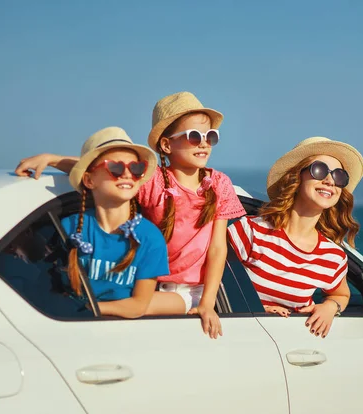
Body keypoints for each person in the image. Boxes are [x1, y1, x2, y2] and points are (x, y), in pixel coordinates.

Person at [15, 92, 246, 338]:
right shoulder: (151, 180)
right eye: (193, 136)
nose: (204, 143)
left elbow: (218, 248)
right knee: (125, 300)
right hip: (145, 282)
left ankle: (76, 310)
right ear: (166, 145)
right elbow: (104, 169)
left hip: (189, 293)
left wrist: (207, 304)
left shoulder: (219, 184)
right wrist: (53, 159)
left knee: (131, 307)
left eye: (210, 136)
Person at [227, 137, 363, 338]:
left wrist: (330, 307)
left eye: (339, 176)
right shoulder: (252, 231)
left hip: (292, 350)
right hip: (239, 340)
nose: (330, 181)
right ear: (297, 177)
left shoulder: (333, 256)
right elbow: (207, 279)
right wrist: (253, 310)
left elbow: (341, 294)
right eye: (319, 170)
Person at [61, 126, 177, 319]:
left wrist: (89, 309)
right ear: (89, 180)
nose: (127, 175)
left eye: (136, 168)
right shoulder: (69, 228)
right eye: (115, 167)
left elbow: (138, 305)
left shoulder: (150, 238)